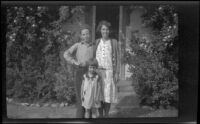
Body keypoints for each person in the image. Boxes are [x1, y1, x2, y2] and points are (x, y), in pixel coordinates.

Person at [63, 25, 94, 118]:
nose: (85, 36)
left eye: (87, 34)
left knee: (89, 100)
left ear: (90, 35)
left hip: (90, 73)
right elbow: (66, 54)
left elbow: (96, 60)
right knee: (81, 100)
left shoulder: (93, 46)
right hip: (80, 73)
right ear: (81, 36)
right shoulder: (77, 45)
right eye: (83, 34)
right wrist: (74, 62)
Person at [94, 20, 120, 118]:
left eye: (107, 29)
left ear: (109, 31)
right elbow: (93, 58)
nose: (105, 31)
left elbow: (117, 58)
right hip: (98, 72)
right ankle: (100, 115)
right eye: (103, 29)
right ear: (100, 30)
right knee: (99, 95)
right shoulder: (96, 42)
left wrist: (117, 72)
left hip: (109, 72)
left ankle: (106, 115)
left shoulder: (113, 42)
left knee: (107, 96)